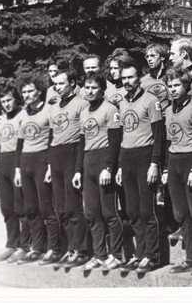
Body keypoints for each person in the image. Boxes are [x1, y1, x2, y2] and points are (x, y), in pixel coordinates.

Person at [72, 71, 125, 271]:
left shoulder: (110, 109)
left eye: (94, 87)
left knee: (109, 212)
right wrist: (78, 170)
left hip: (104, 160)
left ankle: (117, 255)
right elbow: (82, 141)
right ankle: (99, 254)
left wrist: (109, 168)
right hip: (88, 161)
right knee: (92, 213)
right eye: (87, 87)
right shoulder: (84, 112)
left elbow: (114, 142)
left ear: (102, 90)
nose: (90, 91)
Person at [116, 58, 164, 273]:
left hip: (145, 156)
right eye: (123, 77)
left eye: (131, 77)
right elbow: (121, 136)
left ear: (139, 78)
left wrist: (155, 164)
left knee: (147, 210)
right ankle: (140, 253)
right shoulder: (122, 102)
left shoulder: (151, 100)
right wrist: (118, 166)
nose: (127, 81)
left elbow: (159, 135)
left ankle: (151, 256)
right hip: (127, 158)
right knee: (132, 210)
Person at [163, 68, 192, 276]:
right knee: (180, 214)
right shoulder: (168, 110)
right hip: (174, 162)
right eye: (170, 85)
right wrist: (166, 168)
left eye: (176, 85)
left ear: (186, 86)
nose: (173, 89)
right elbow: (167, 141)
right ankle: (189, 258)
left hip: (191, 160)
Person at [13, 72, 61, 265]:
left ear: (39, 91)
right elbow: (19, 144)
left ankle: (54, 249)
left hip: (42, 160)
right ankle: (37, 248)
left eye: (30, 91)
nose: (26, 94)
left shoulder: (49, 110)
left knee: (46, 207)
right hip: (26, 162)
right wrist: (17, 169)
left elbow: (53, 139)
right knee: (31, 208)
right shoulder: (22, 114)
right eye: (24, 92)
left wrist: (49, 165)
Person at [47, 62, 90, 268]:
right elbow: (52, 136)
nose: (57, 87)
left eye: (61, 83)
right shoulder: (53, 107)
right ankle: (70, 248)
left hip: (73, 152)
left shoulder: (81, 104)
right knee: (60, 208)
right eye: (55, 84)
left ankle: (81, 250)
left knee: (73, 206)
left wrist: (79, 168)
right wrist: (49, 165)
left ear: (73, 83)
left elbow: (84, 137)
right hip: (56, 155)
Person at [0, 86, 32, 264]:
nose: (7, 104)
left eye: (9, 100)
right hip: (4, 162)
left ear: (15, 99)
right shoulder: (3, 118)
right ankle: (11, 244)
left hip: (18, 161)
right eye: (3, 101)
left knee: (20, 207)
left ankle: (25, 246)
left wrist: (19, 166)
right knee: (7, 207)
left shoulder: (23, 115)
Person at [141, 42, 171, 111]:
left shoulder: (171, 77)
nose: (149, 59)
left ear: (162, 57)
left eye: (153, 56)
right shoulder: (143, 81)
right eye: (147, 56)